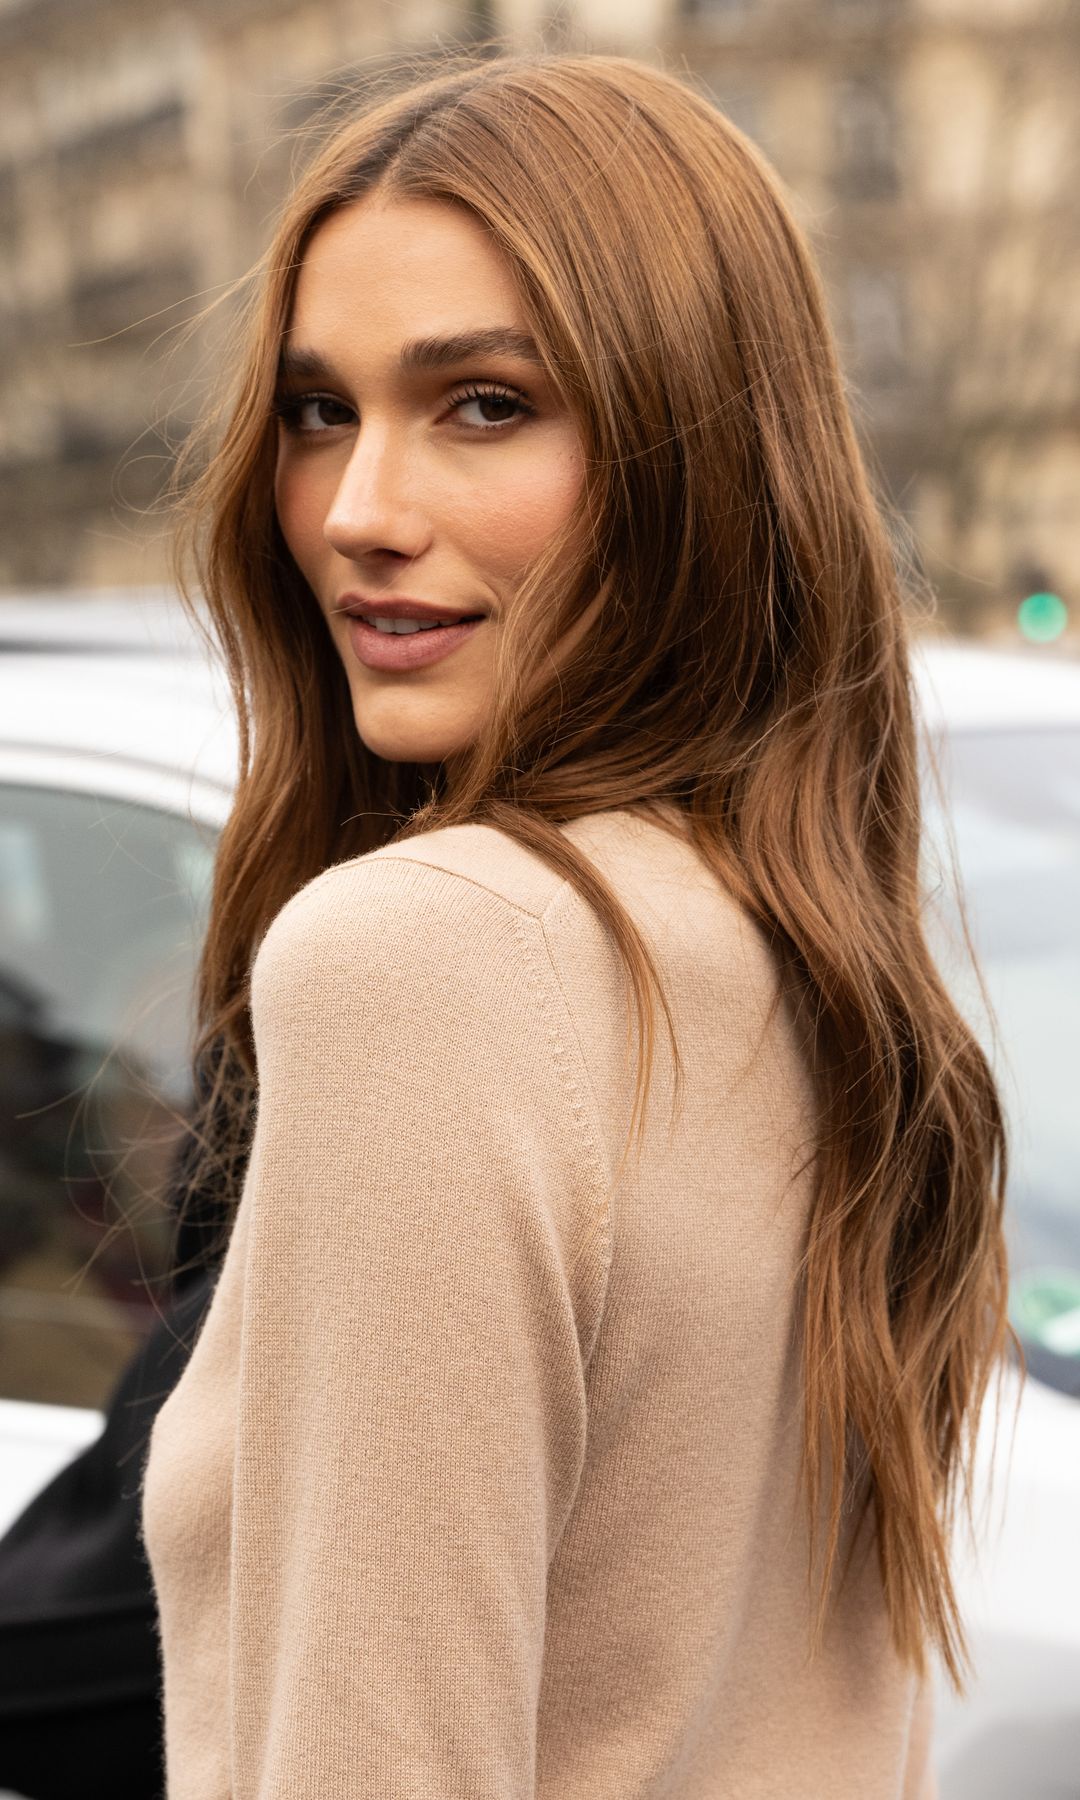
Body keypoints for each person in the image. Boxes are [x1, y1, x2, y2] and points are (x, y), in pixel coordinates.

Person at [138, 44, 1010, 1799]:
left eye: (484, 405)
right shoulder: (818, 963)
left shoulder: (430, 960)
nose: (359, 513)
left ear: (701, 457)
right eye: (319, 412)